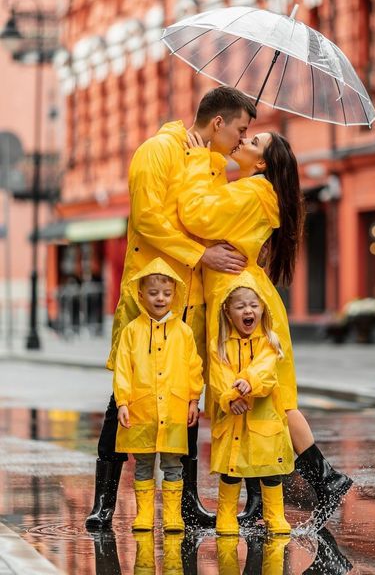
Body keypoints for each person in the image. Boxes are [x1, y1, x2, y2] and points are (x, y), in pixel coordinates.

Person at [85, 86, 257, 531]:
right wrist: (203, 255)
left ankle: (186, 503)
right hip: (151, 296)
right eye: (240, 129)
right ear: (218, 122)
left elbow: (207, 216)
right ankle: (103, 502)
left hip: (194, 301)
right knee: (126, 399)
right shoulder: (156, 151)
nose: (242, 140)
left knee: (186, 401)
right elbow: (148, 220)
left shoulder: (214, 163)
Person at [178, 130, 352, 530]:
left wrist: (199, 160)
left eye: (252, 140)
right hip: (246, 295)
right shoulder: (254, 188)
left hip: (241, 300)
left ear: (261, 164)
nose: (242, 140)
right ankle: (274, 497)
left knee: (270, 401)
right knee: (265, 401)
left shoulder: (254, 191)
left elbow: (198, 214)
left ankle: (326, 480)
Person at [113, 257, 203, 532]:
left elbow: (193, 368)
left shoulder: (184, 332)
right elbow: (123, 369)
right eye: (153, 293)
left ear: (175, 294)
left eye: (166, 293)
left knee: (173, 463)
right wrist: (122, 402)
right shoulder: (132, 332)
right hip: (142, 409)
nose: (160, 298)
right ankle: (144, 515)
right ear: (141, 295)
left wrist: (193, 400)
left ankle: (173, 516)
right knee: (143, 463)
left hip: (174, 408)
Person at [209, 275, 294, 536]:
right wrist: (230, 397)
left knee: (270, 469)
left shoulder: (270, 341)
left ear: (262, 309)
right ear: (228, 311)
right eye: (241, 306)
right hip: (233, 417)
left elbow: (267, 372)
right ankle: (226, 515)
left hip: (263, 418)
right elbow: (218, 377)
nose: (248, 311)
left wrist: (249, 381)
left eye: (254, 306)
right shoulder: (219, 345)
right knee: (232, 469)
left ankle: (275, 515)